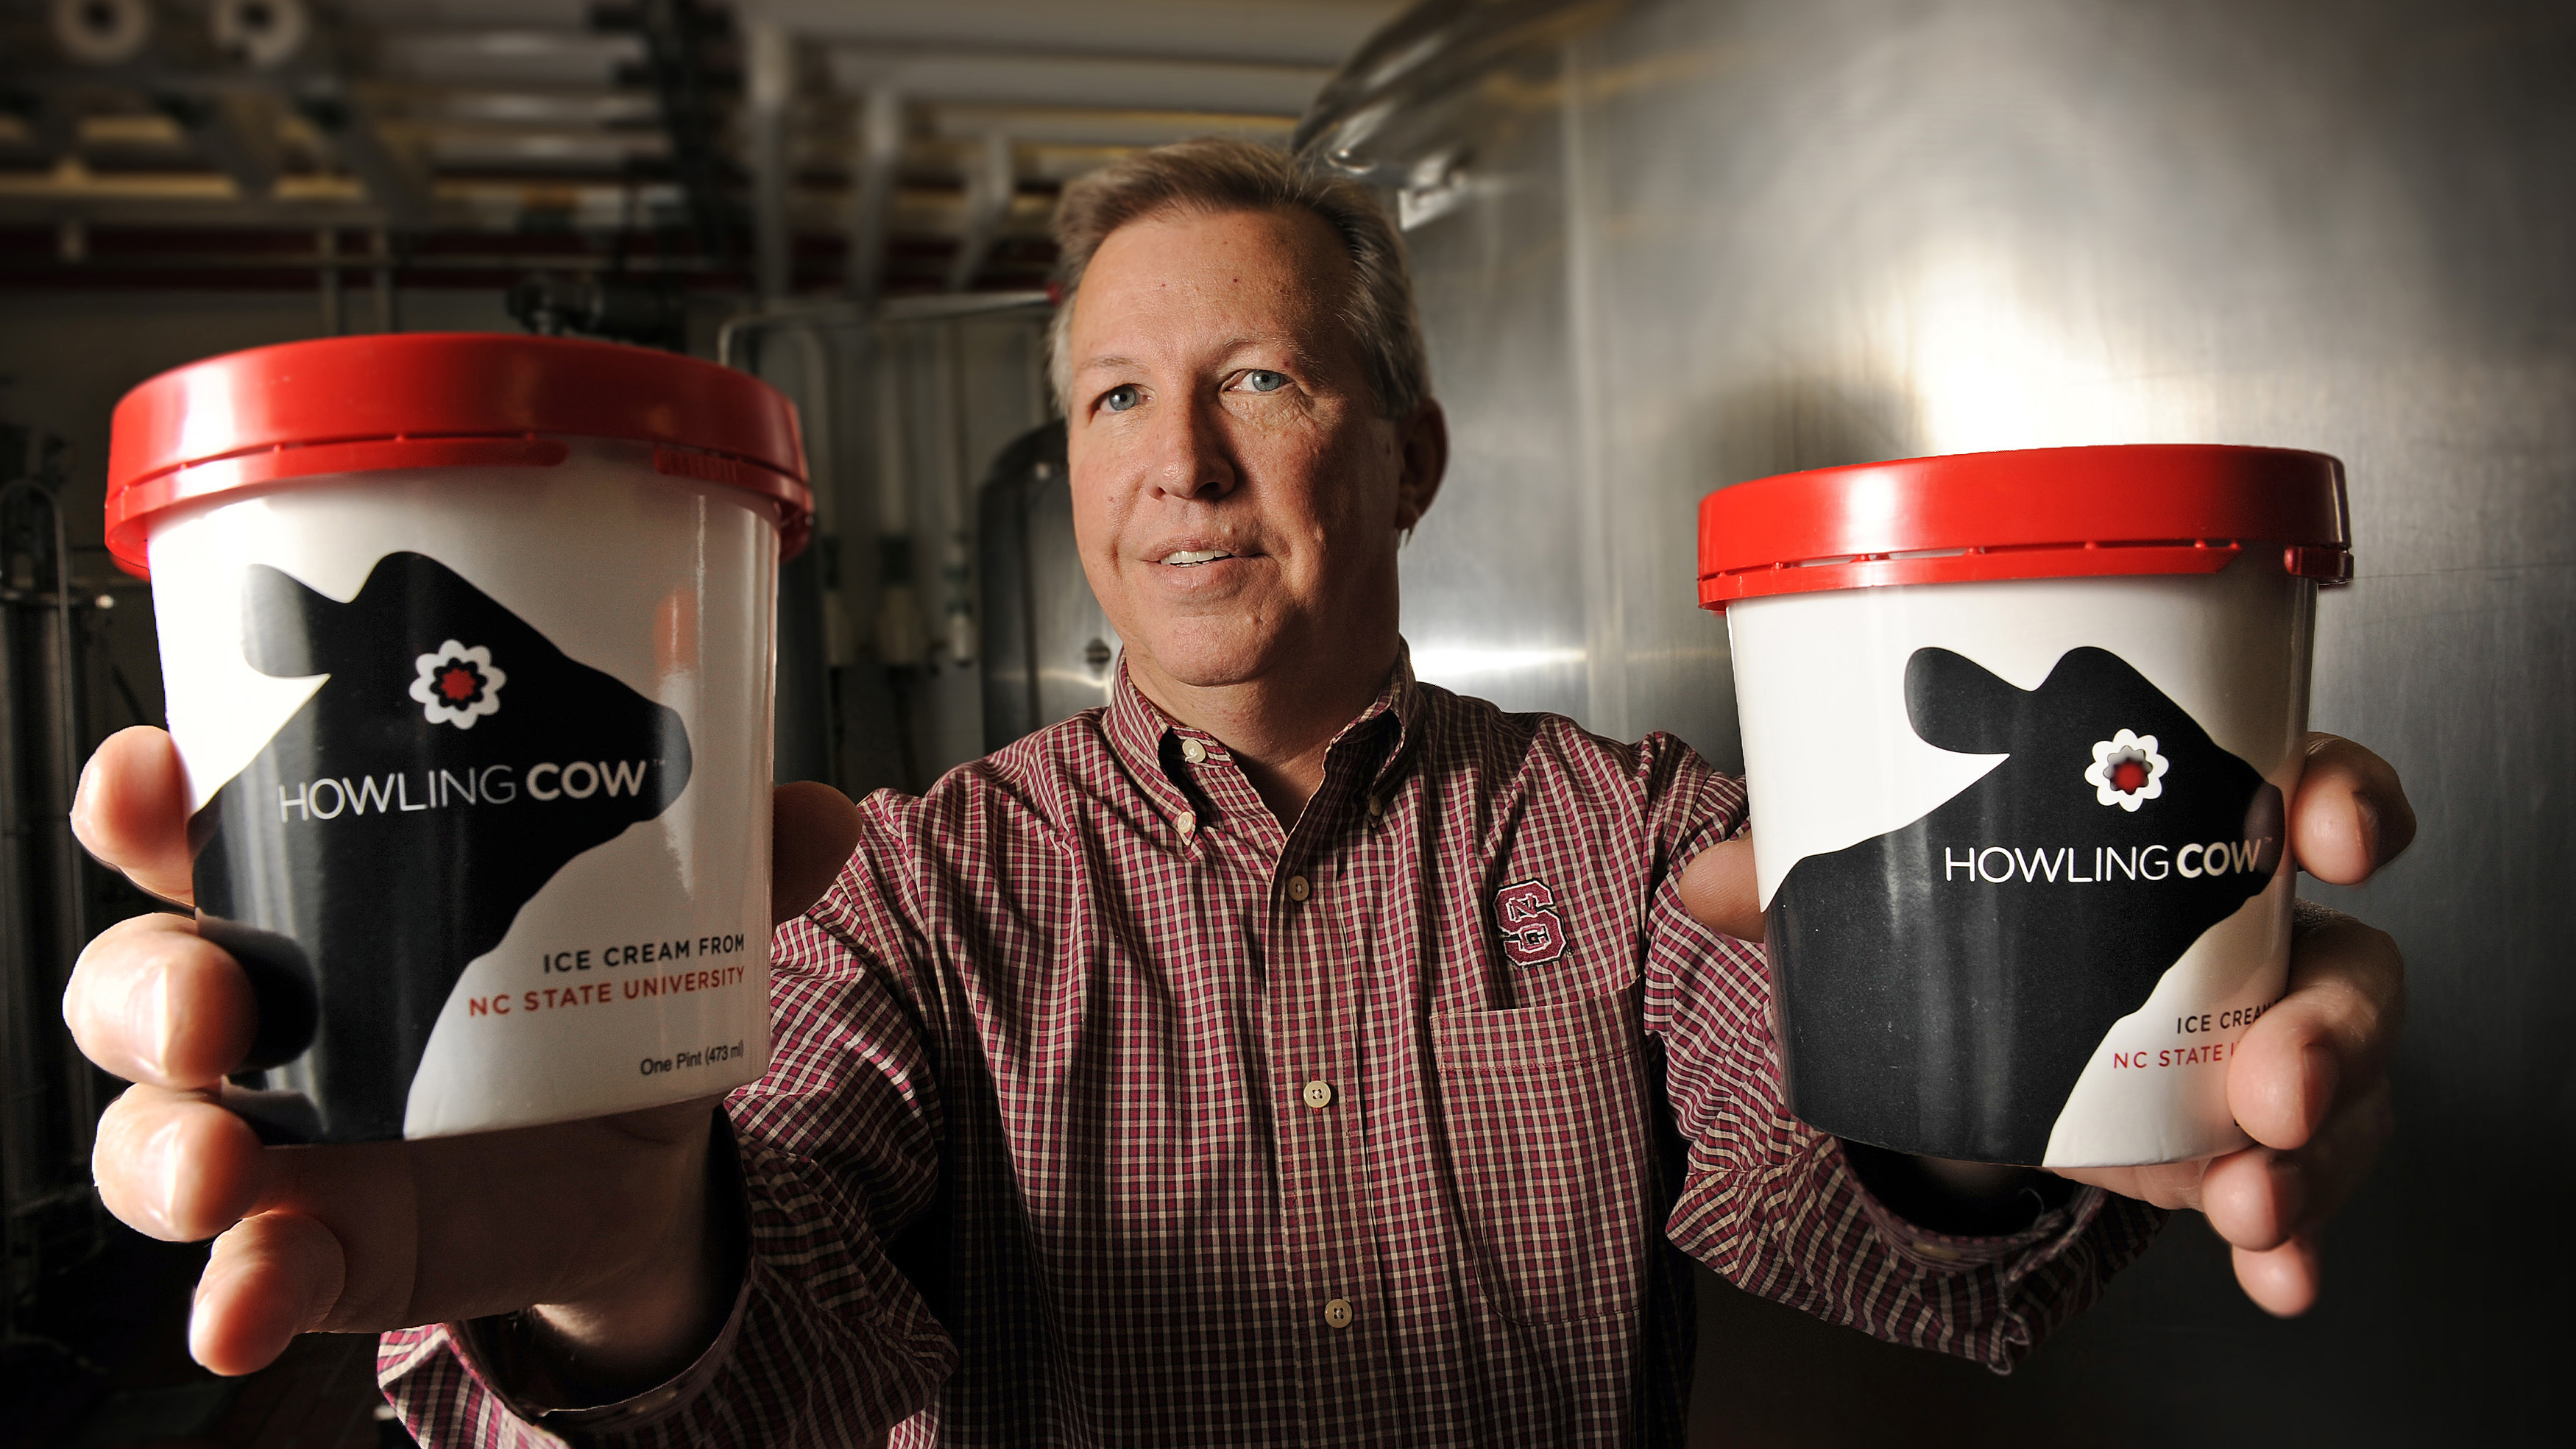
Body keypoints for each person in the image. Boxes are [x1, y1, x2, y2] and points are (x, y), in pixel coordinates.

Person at [63, 141, 2410, 1445]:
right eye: (1106, 401)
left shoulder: (1634, 834)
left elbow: (1846, 1201)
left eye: (1261, 377)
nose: (1175, 464)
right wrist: (610, 1276)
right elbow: (762, 1289)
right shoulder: (914, 889)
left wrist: (2029, 998)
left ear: (1404, 447)